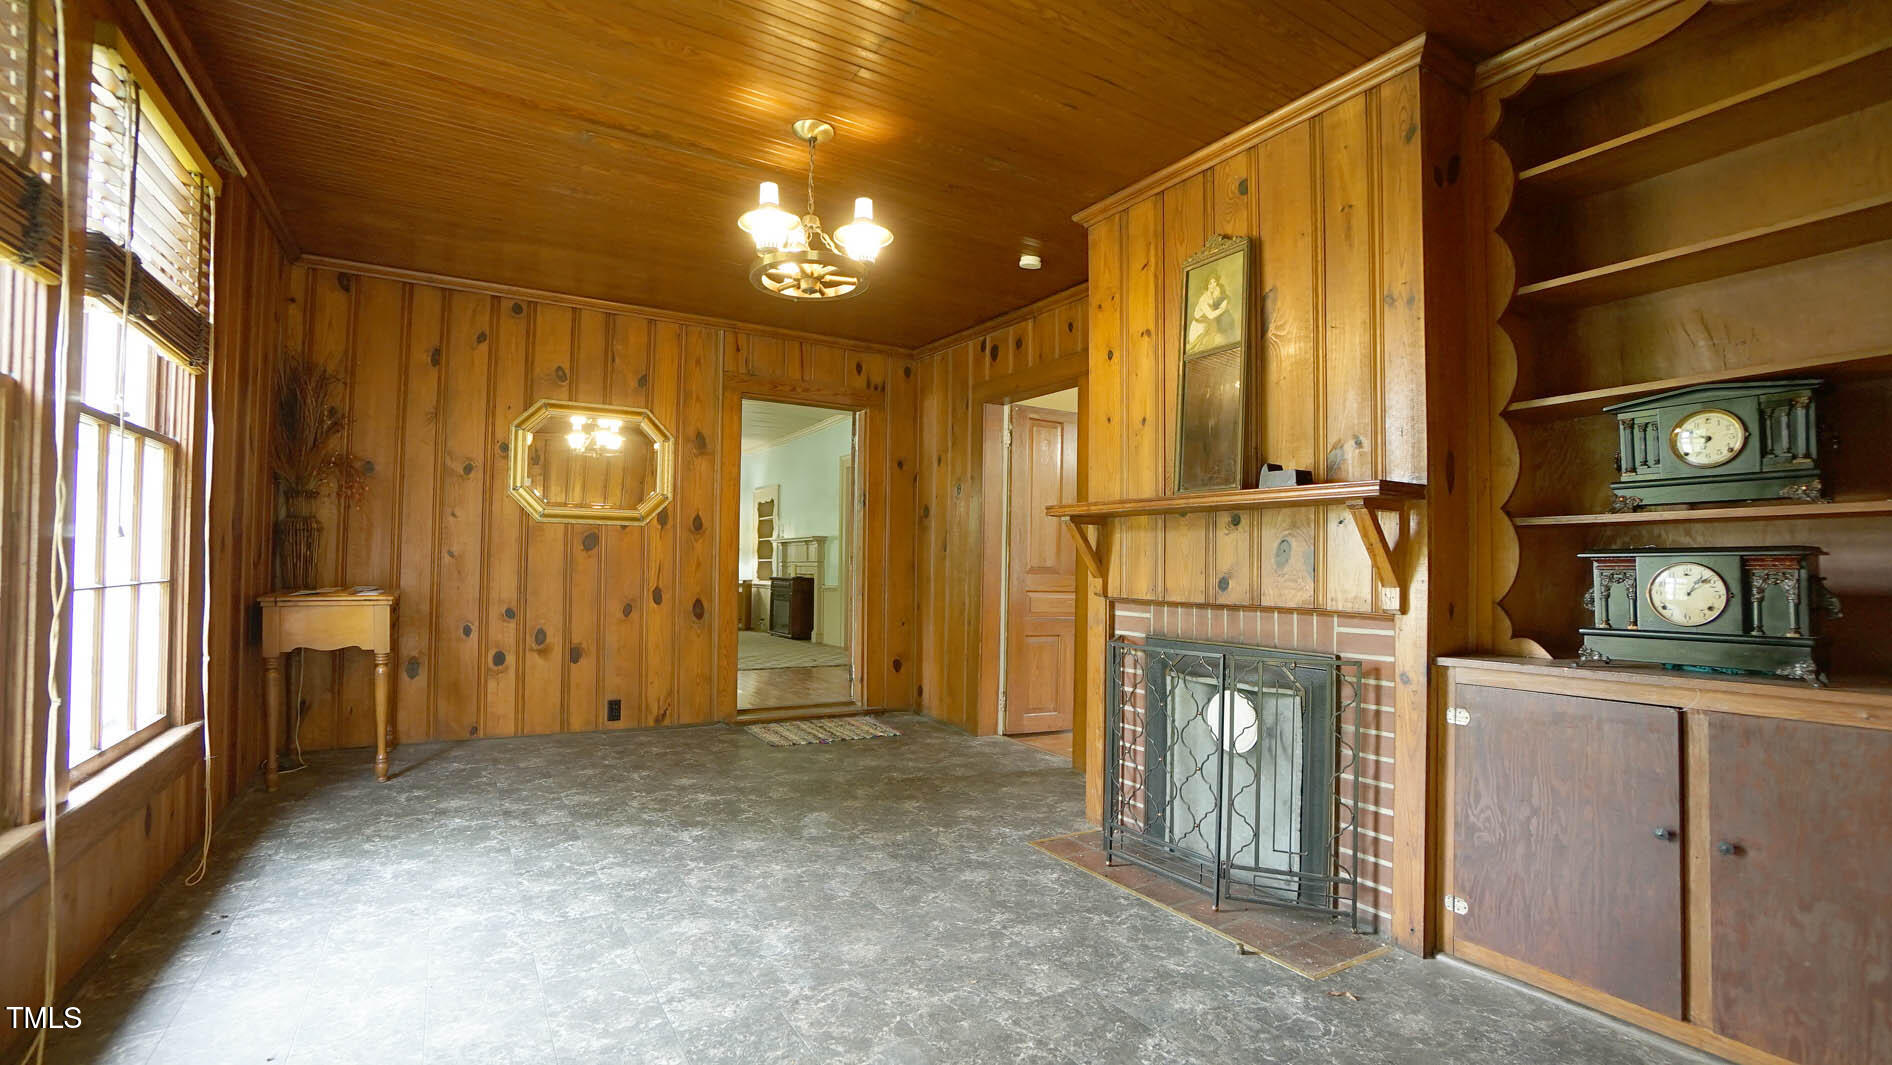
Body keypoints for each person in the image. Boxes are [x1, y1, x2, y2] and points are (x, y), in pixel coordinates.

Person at [1187, 273, 1234, 353]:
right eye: (1210, 283)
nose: (1213, 285)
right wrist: (1223, 308)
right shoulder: (1203, 299)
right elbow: (1211, 316)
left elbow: (1221, 300)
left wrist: (1226, 300)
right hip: (1198, 329)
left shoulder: (1214, 295)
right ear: (1207, 285)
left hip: (1208, 326)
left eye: (1214, 282)